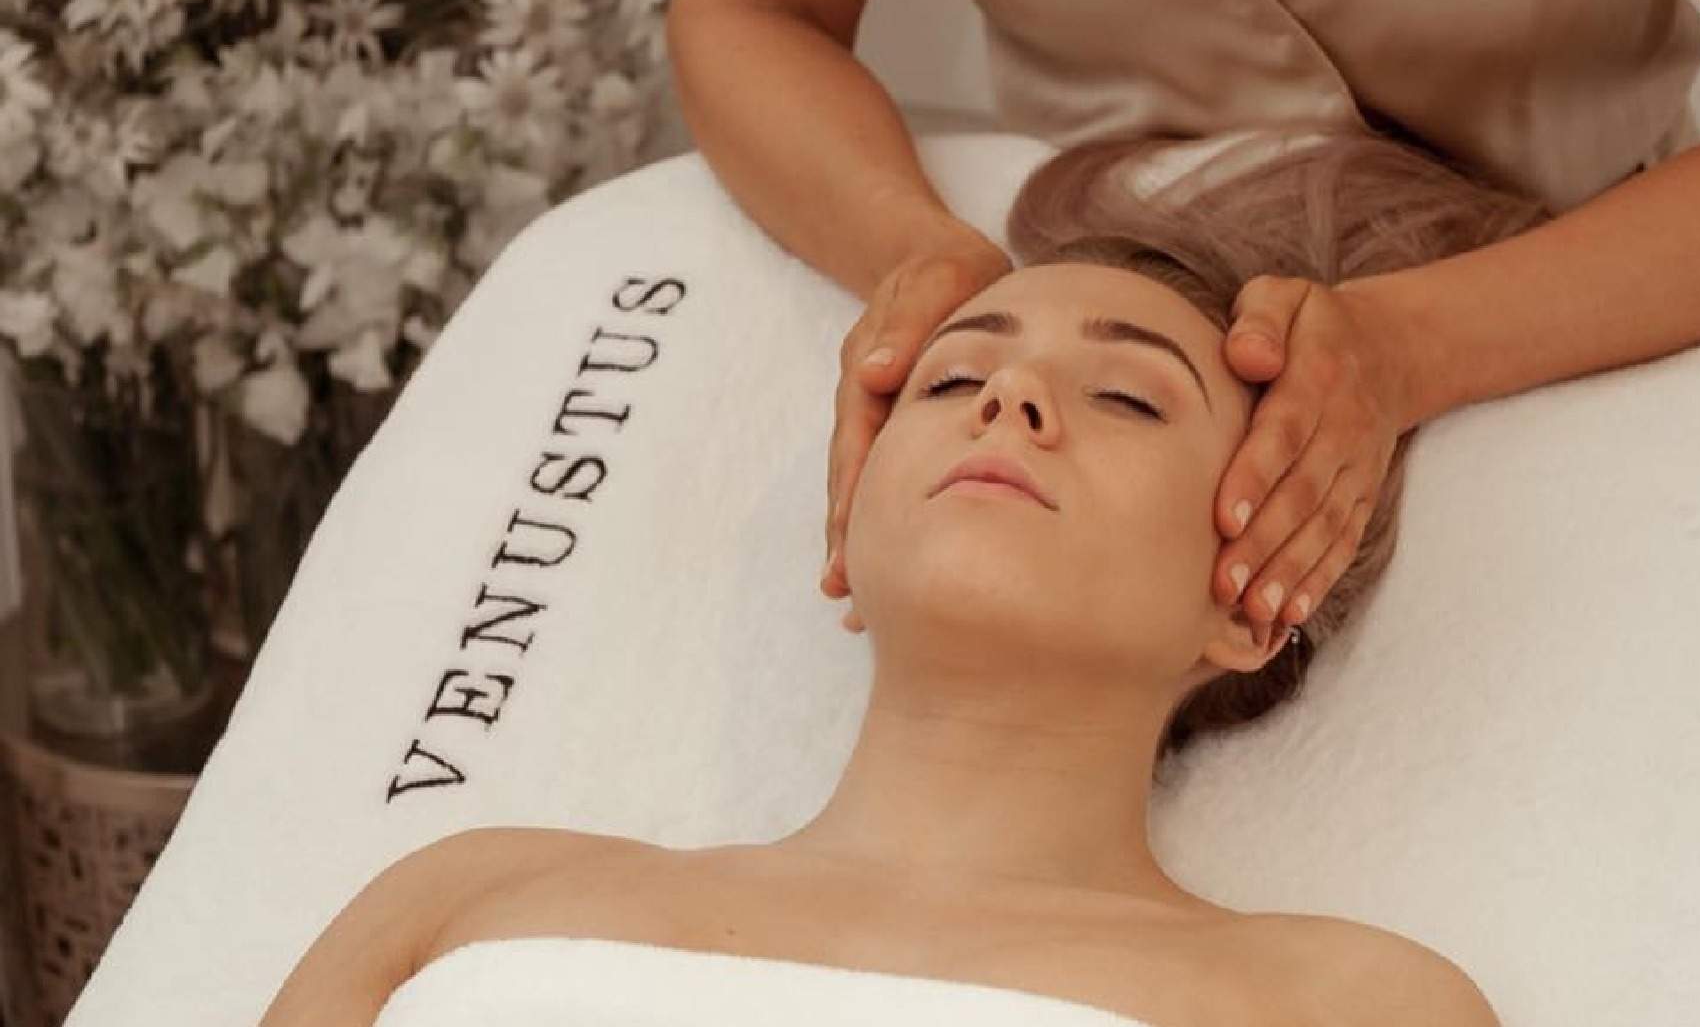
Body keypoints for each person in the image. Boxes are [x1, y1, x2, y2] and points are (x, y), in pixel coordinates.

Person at [262, 130, 1542, 1027]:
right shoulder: (465, 891)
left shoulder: (1353, 1005)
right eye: (948, 378)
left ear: (1255, 592)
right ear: (845, 533)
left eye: (1127, 397)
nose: (1011, 396)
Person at [664, 0, 1700, 647]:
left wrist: (1415, 343)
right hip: (1085, 263)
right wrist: (909, 251)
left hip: (1586, 306)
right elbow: (750, 6)